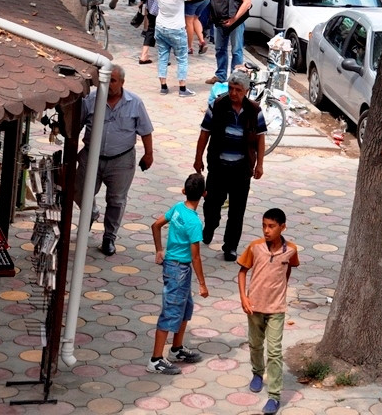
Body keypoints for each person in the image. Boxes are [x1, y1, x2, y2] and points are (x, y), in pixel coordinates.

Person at [74, 65, 154, 256]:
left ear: (122, 83)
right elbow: (77, 125)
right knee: (80, 192)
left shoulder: (135, 103)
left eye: (114, 81)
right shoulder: (91, 100)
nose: (109, 85)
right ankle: (91, 213)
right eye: (106, 80)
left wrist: (148, 154)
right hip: (91, 156)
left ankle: (109, 237)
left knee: (116, 200)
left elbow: (146, 130)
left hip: (121, 160)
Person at [194, 68, 266, 261]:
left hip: (241, 169)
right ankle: (210, 226)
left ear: (246, 91)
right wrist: (198, 157)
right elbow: (204, 133)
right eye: (231, 88)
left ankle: (230, 247)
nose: (234, 93)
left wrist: (260, 164)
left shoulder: (254, 110)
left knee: (237, 209)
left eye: (238, 90)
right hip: (218, 166)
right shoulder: (217, 105)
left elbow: (260, 138)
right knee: (211, 204)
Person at [237, 208, 299, 415]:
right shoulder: (255, 247)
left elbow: (288, 267)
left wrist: (282, 287)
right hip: (254, 306)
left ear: (282, 227)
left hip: (276, 309)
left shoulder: (291, 249)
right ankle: (257, 372)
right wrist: (244, 297)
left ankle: (274, 395)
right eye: (264, 225)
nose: (266, 230)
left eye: (271, 226)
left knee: (274, 351)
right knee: (255, 344)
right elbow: (243, 271)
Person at [147, 173, 208, 375]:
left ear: (184, 191)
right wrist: (202, 283)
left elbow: (155, 225)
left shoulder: (177, 209)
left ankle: (177, 348)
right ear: (204, 194)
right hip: (179, 270)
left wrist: (159, 250)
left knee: (185, 307)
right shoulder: (194, 223)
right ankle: (156, 359)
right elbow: (196, 257)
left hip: (174, 268)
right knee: (170, 311)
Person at [206, 0, 252, 85]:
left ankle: (235, 79)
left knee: (236, 49)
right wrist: (228, 2)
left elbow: (247, 2)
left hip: (236, 20)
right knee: (220, 48)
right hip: (220, 16)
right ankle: (220, 75)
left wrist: (234, 19)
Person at [154, 0, 196, 96]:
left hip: (161, 27)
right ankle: (182, 89)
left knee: (162, 56)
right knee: (182, 58)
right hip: (176, 29)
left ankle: (163, 86)